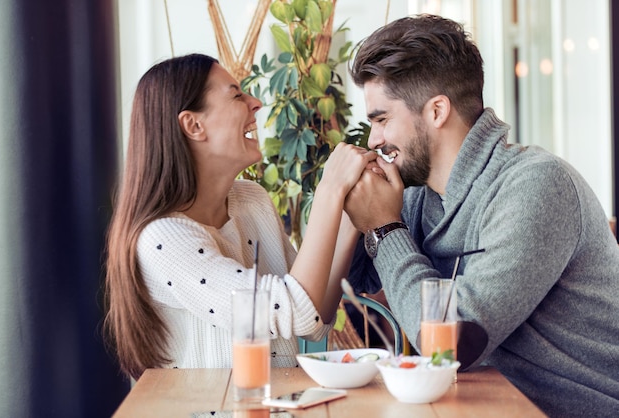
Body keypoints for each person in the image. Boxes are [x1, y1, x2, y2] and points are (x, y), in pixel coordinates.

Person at [343, 14, 619, 417]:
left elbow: (450, 343)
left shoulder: (537, 186)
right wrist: (344, 190)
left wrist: (386, 228)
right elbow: (355, 279)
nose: (374, 140)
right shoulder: (419, 195)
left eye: (382, 120)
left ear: (437, 111)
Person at [103, 53, 376, 379]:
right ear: (194, 125)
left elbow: (312, 318)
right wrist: (329, 190)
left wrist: (349, 221)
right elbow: (297, 309)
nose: (256, 102)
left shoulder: (252, 200)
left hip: (273, 408)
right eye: (236, 95)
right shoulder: (162, 239)